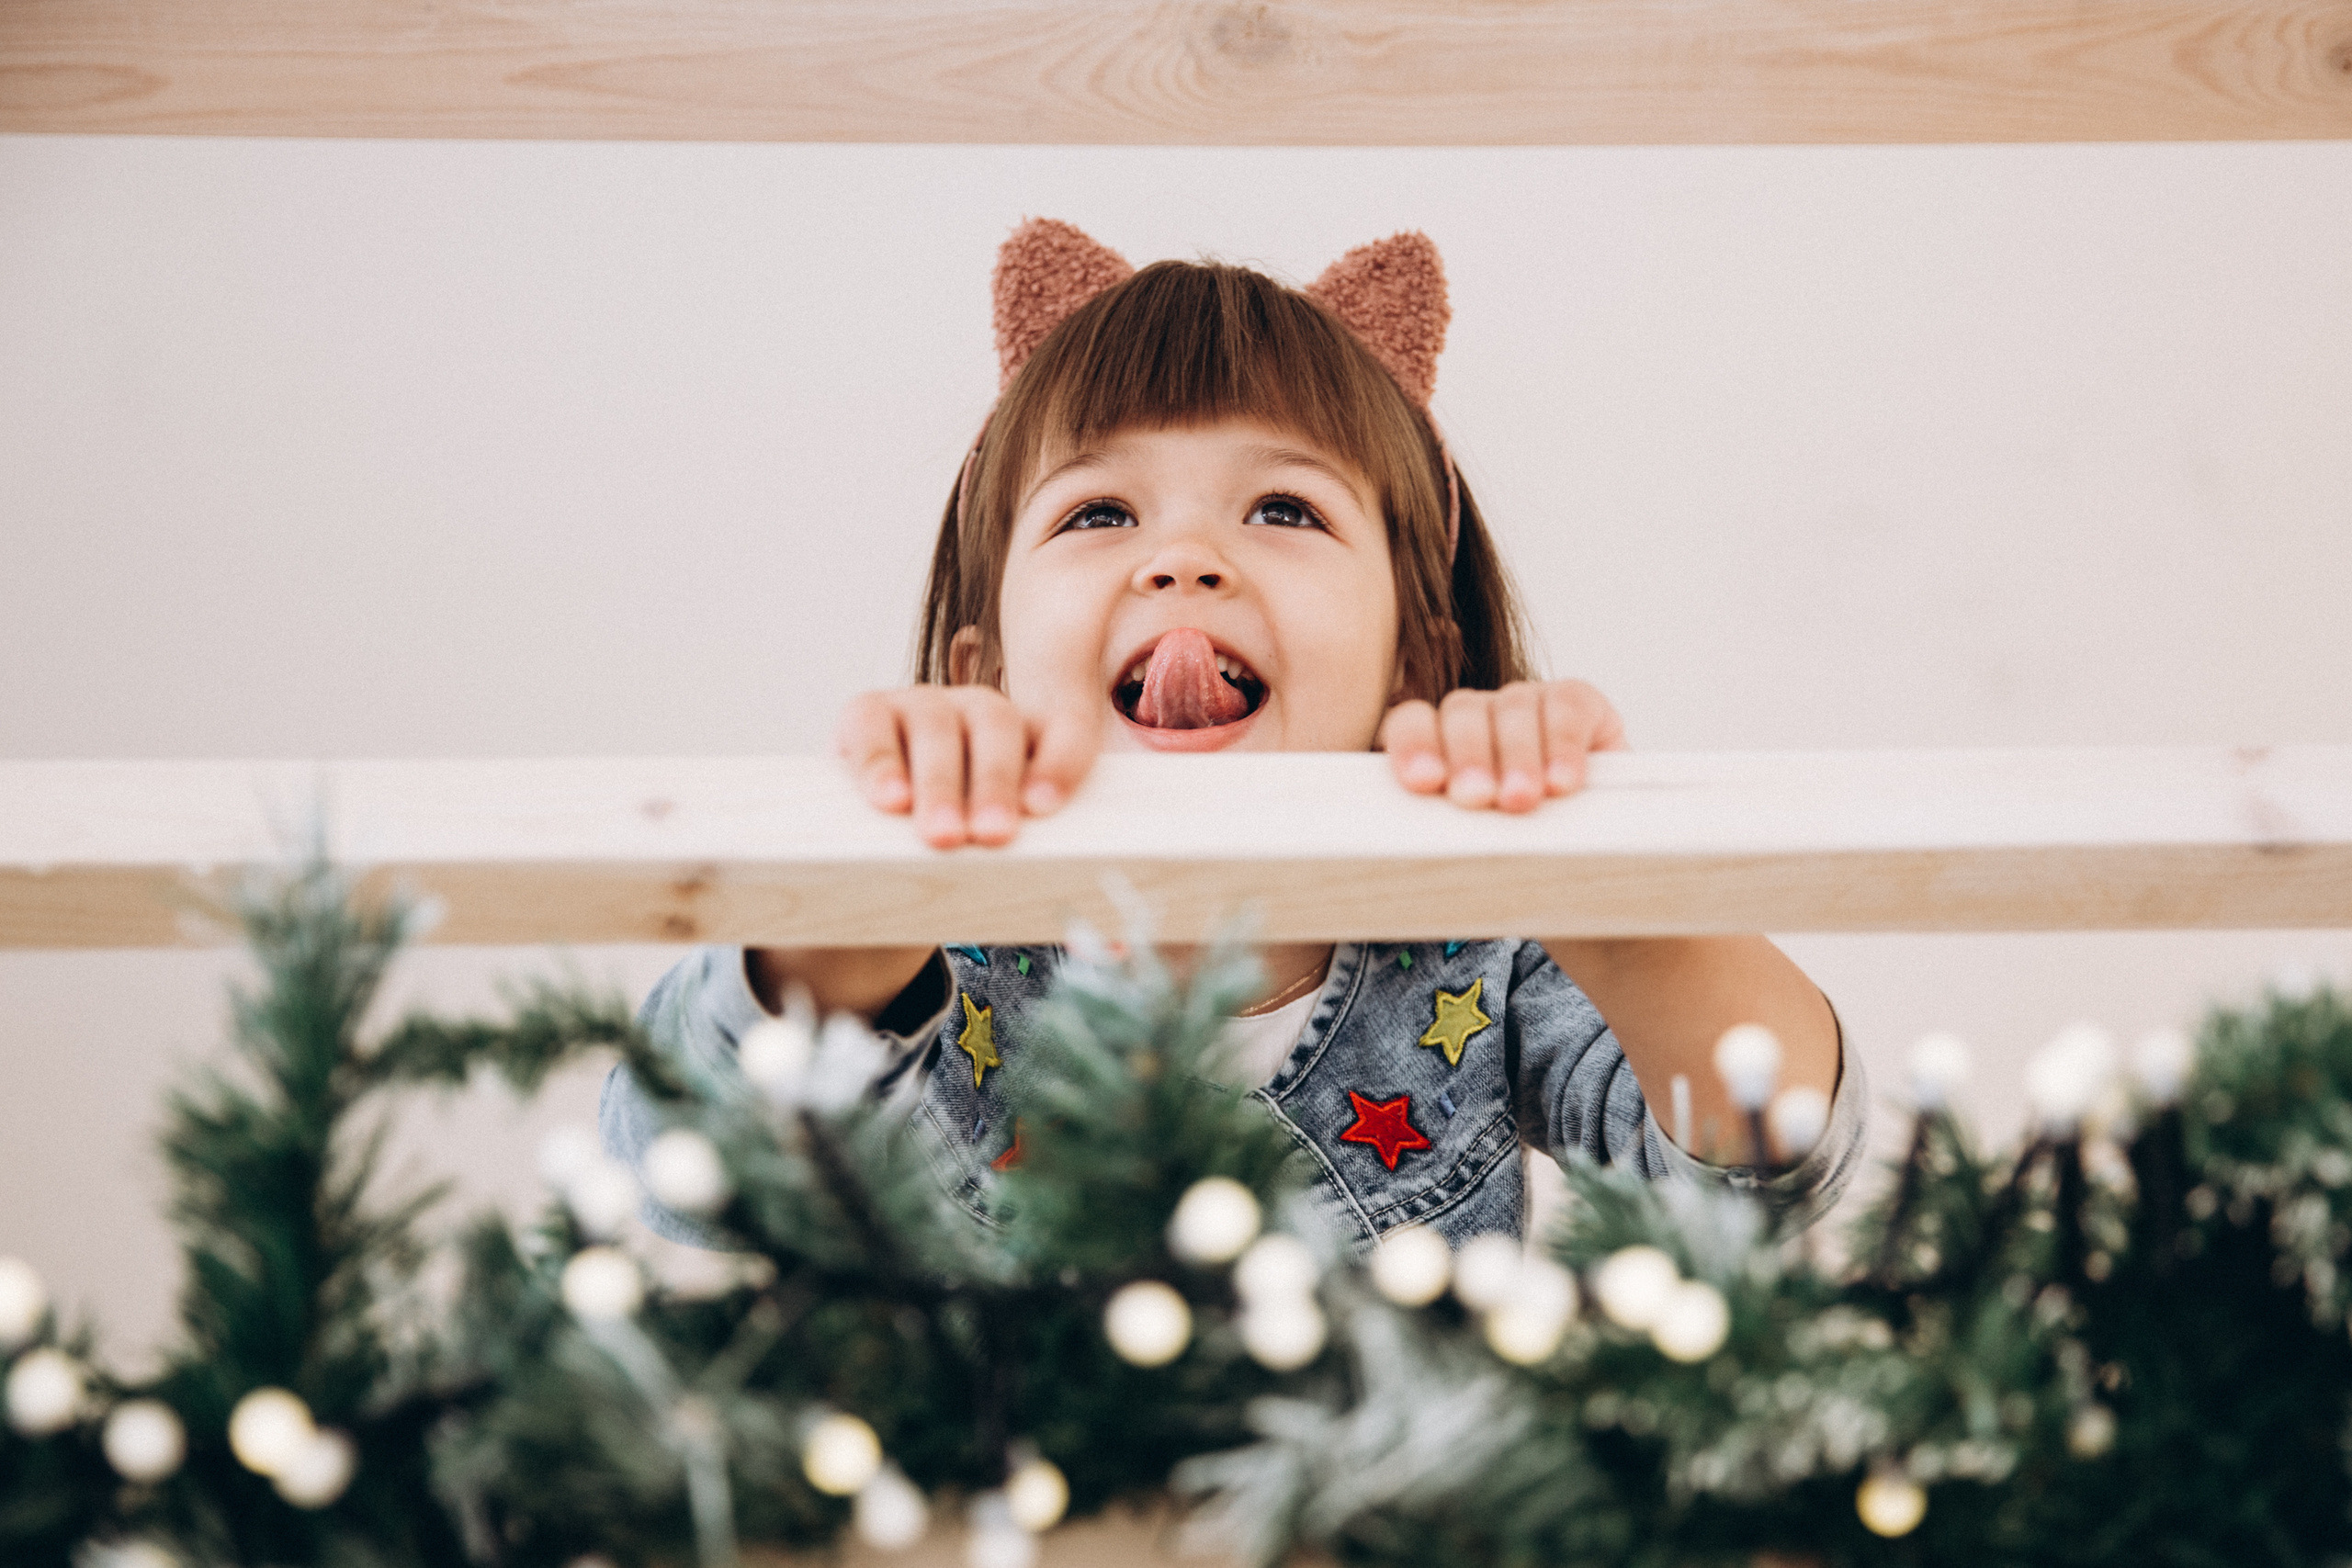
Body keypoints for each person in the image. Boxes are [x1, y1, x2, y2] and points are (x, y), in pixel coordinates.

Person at [605, 220, 1864, 1247]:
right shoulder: (928, 940)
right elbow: (667, 1181)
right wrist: (842, 931)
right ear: (978, 674)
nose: (1186, 561)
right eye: (1100, 514)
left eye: (1282, 509)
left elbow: (1767, 1182)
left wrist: (1603, 877)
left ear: (1418, 663)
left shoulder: (1485, 943)